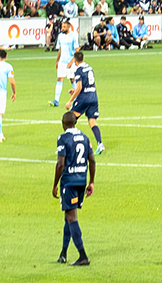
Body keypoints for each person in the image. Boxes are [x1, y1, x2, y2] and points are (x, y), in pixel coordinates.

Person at [53, 107, 95, 267]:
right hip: (81, 181)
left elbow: (60, 164)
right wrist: (91, 182)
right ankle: (63, 254)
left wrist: (55, 184)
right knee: (69, 216)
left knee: (72, 217)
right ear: (75, 122)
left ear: (63, 124)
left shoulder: (63, 138)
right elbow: (92, 160)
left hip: (69, 181)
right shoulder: (84, 137)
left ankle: (82, 256)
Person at [69, 52, 103, 154]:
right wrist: (74, 91)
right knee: (92, 121)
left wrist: (70, 100)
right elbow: (85, 84)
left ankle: (71, 145)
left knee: (70, 120)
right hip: (93, 96)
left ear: (75, 60)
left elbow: (79, 87)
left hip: (84, 98)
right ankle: (100, 143)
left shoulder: (78, 70)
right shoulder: (89, 67)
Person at [53, 16, 79, 107]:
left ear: (69, 26)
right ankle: (56, 100)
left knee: (73, 79)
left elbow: (77, 50)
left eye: (64, 26)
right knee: (60, 78)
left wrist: (72, 62)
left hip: (71, 62)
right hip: (62, 62)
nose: (62, 28)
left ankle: (76, 99)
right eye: (62, 26)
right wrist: (57, 61)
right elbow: (60, 49)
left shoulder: (73, 36)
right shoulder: (60, 36)